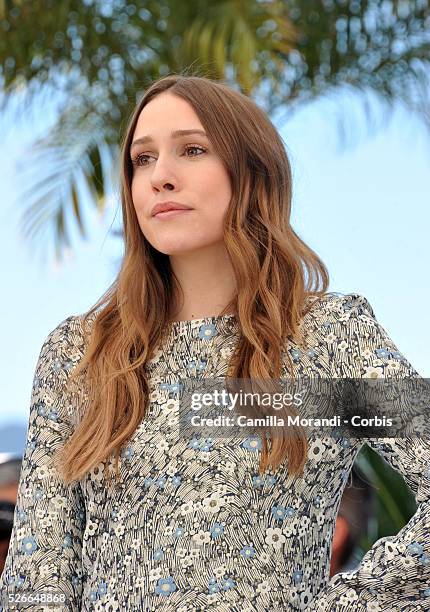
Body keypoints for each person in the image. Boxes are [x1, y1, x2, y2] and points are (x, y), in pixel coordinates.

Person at [1, 73, 429, 611]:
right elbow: (37, 578)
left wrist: (351, 602)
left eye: (192, 149)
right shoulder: (82, 354)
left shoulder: (326, 340)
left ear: (251, 174)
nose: (161, 176)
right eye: (143, 159)